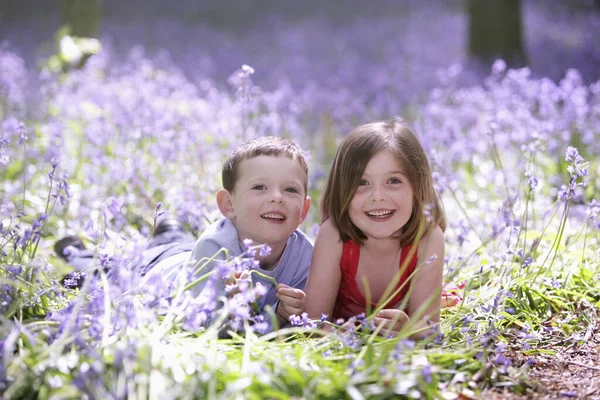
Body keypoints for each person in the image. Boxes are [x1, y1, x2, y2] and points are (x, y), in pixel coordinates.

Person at [56, 136, 313, 330]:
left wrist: (284, 315)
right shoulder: (216, 247)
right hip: (157, 273)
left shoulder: (307, 255)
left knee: (179, 244)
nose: (277, 198)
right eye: (260, 187)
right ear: (228, 205)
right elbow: (203, 322)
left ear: (304, 209)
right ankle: (77, 251)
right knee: (109, 272)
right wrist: (236, 310)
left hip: (186, 255)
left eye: (290, 190)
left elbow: (303, 317)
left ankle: (170, 231)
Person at [303, 117, 446, 339]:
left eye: (394, 181)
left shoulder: (428, 238)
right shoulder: (334, 235)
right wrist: (346, 337)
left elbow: (427, 329)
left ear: (417, 187)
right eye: (362, 183)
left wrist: (408, 331)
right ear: (342, 190)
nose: (378, 197)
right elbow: (313, 323)